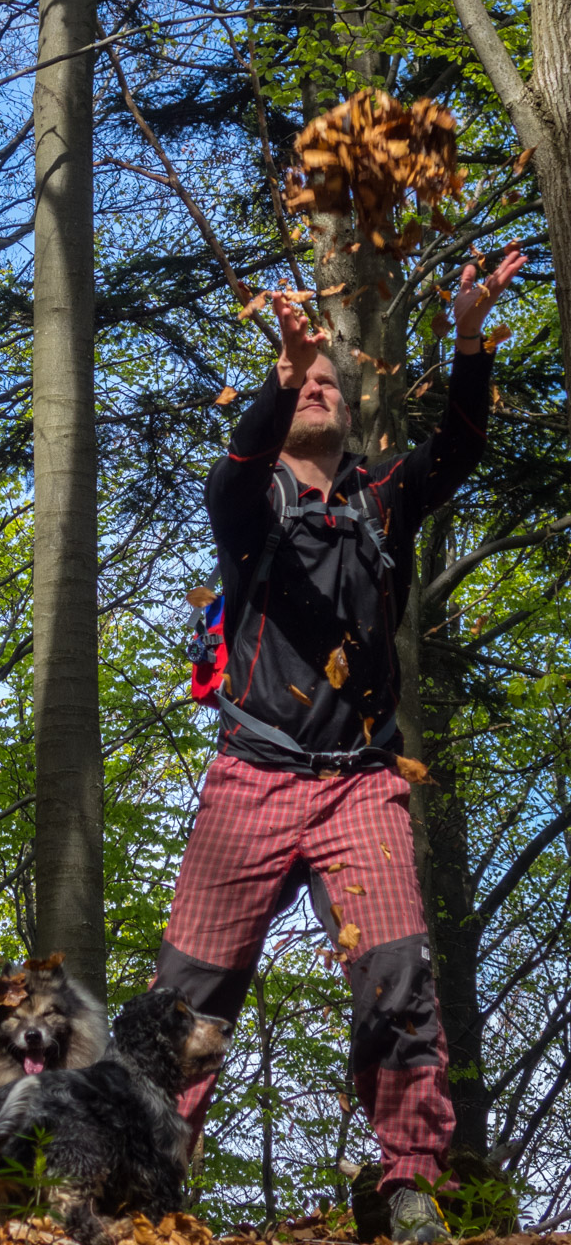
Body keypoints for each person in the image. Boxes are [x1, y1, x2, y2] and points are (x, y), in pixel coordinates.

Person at [154, 248, 526, 1242]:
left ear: (354, 413)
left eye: (327, 382)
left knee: (398, 976)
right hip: (251, 772)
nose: (315, 388)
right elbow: (230, 479)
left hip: (363, 779)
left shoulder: (381, 496)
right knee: (187, 990)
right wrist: (281, 371)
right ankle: (145, 1176)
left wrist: (467, 333)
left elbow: (459, 444)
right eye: (301, 382)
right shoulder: (251, 500)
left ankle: (408, 1183)